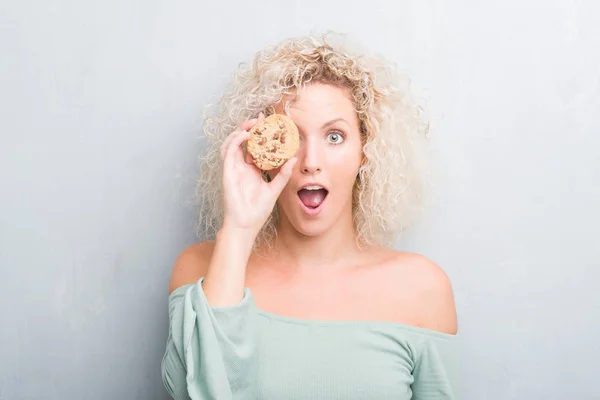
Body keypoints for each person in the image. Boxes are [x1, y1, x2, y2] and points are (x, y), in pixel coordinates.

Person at [161, 32, 459, 399]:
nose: (311, 163)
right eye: (294, 137)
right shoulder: (199, 270)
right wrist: (238, 231)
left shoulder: (421, 288)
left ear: (365, 152)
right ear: (264, 150)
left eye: (334, 137)